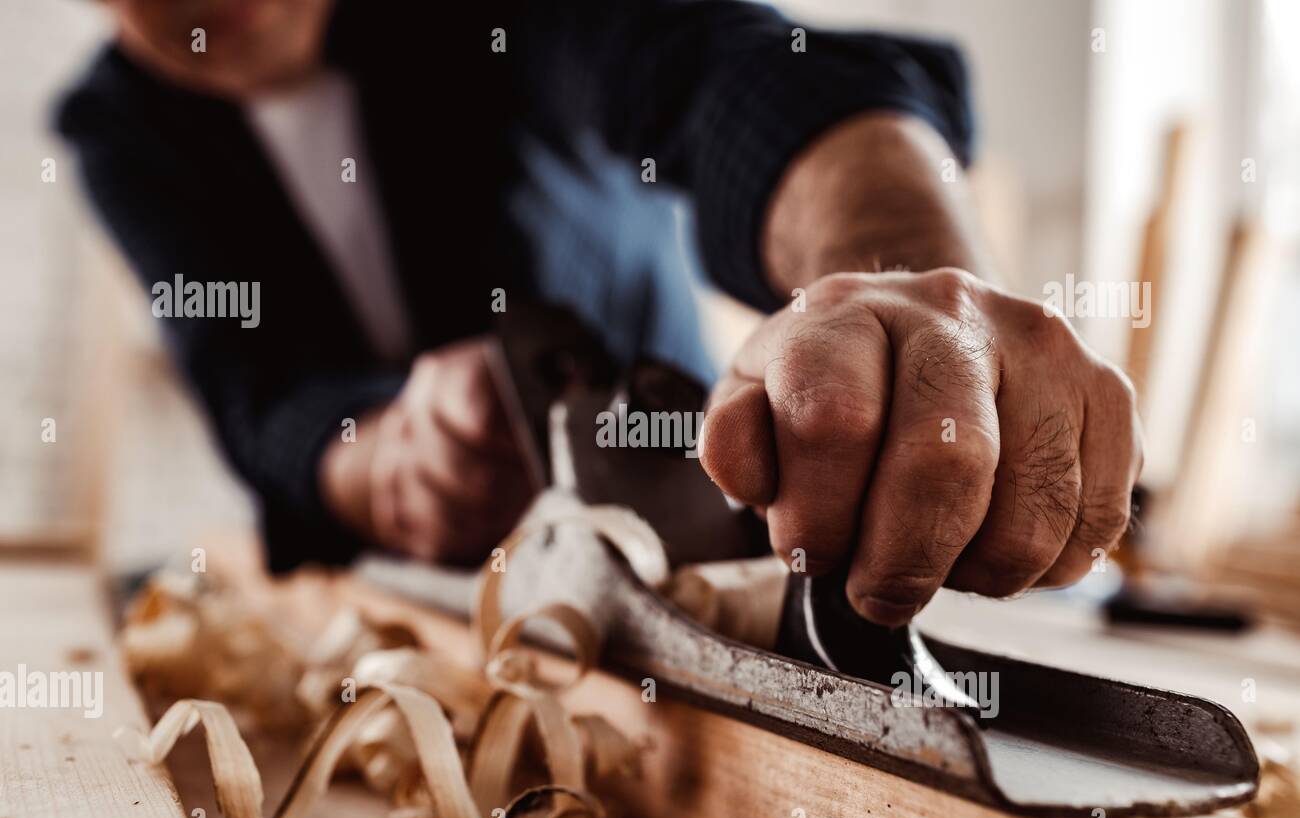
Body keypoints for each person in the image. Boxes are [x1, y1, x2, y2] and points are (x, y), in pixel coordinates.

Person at [57, 0, 1142, 627]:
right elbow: (262, 390)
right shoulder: (116, 129)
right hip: (400, 619)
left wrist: (904, 278)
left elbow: (731, 78)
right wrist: (382, 459)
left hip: (700, 547)